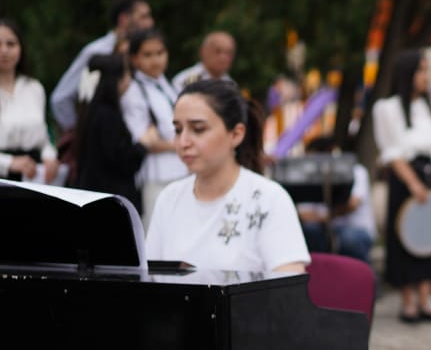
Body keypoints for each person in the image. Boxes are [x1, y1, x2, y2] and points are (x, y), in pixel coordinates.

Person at [146, 80, 307, 274]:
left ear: (236, 134)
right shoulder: (169, 198)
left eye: (198, 129)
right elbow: (149, 282)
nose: (183, 142)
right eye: (178, 130)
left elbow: (288, 292)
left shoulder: (269, 200)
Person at [373, 49, 431, 322]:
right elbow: (391, 151)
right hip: (405, 177)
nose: (425, 77)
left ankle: (427, 297)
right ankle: (408, 301)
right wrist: (413, 183)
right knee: (405, 237)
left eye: (427, 70)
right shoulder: (386, 108)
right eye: (421, 70)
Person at [49, 0, 153, 132]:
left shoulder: (145, 52)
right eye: (144, 17)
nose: (150, 23)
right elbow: (60, 99)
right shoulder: (97, 52)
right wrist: (79, 135)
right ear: (123, 19)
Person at [0, 19, 62, 184]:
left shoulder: (34, 87)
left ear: (21, 48)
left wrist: (50, 157)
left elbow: (43, 136)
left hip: (35, 175)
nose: (4, 51)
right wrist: (10, 163)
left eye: (11, 44)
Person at [121, 28, 184, 217]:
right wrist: (176, 145)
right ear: (134, 59)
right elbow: (143, 139)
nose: (156, 60)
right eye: (147, 55)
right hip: (155, 175)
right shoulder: (134, 91)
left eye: (160, 53)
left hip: (181, 170)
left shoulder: (167, 84)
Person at [72, 54, 145, 206]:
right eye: (126, 73)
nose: (129, 79)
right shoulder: (107, 115)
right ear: (115, 80)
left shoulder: (89, 110)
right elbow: (120, 161)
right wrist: (143, 146)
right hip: (110, 199)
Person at [297, 159, 376, 264]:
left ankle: (361, 276)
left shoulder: (356, 170)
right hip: (325, 231)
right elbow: (303, 214)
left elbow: (353, 204)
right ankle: (319, 273)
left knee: (349, 239)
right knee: (309, 231)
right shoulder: (310, 172)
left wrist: (325, 217)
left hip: (355, 230)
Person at [171, 30, 238, 92]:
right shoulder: (184, 80)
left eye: (229, 53)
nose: (223, 58)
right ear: (203, 51)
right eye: (218, 51)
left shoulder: (231, 84)